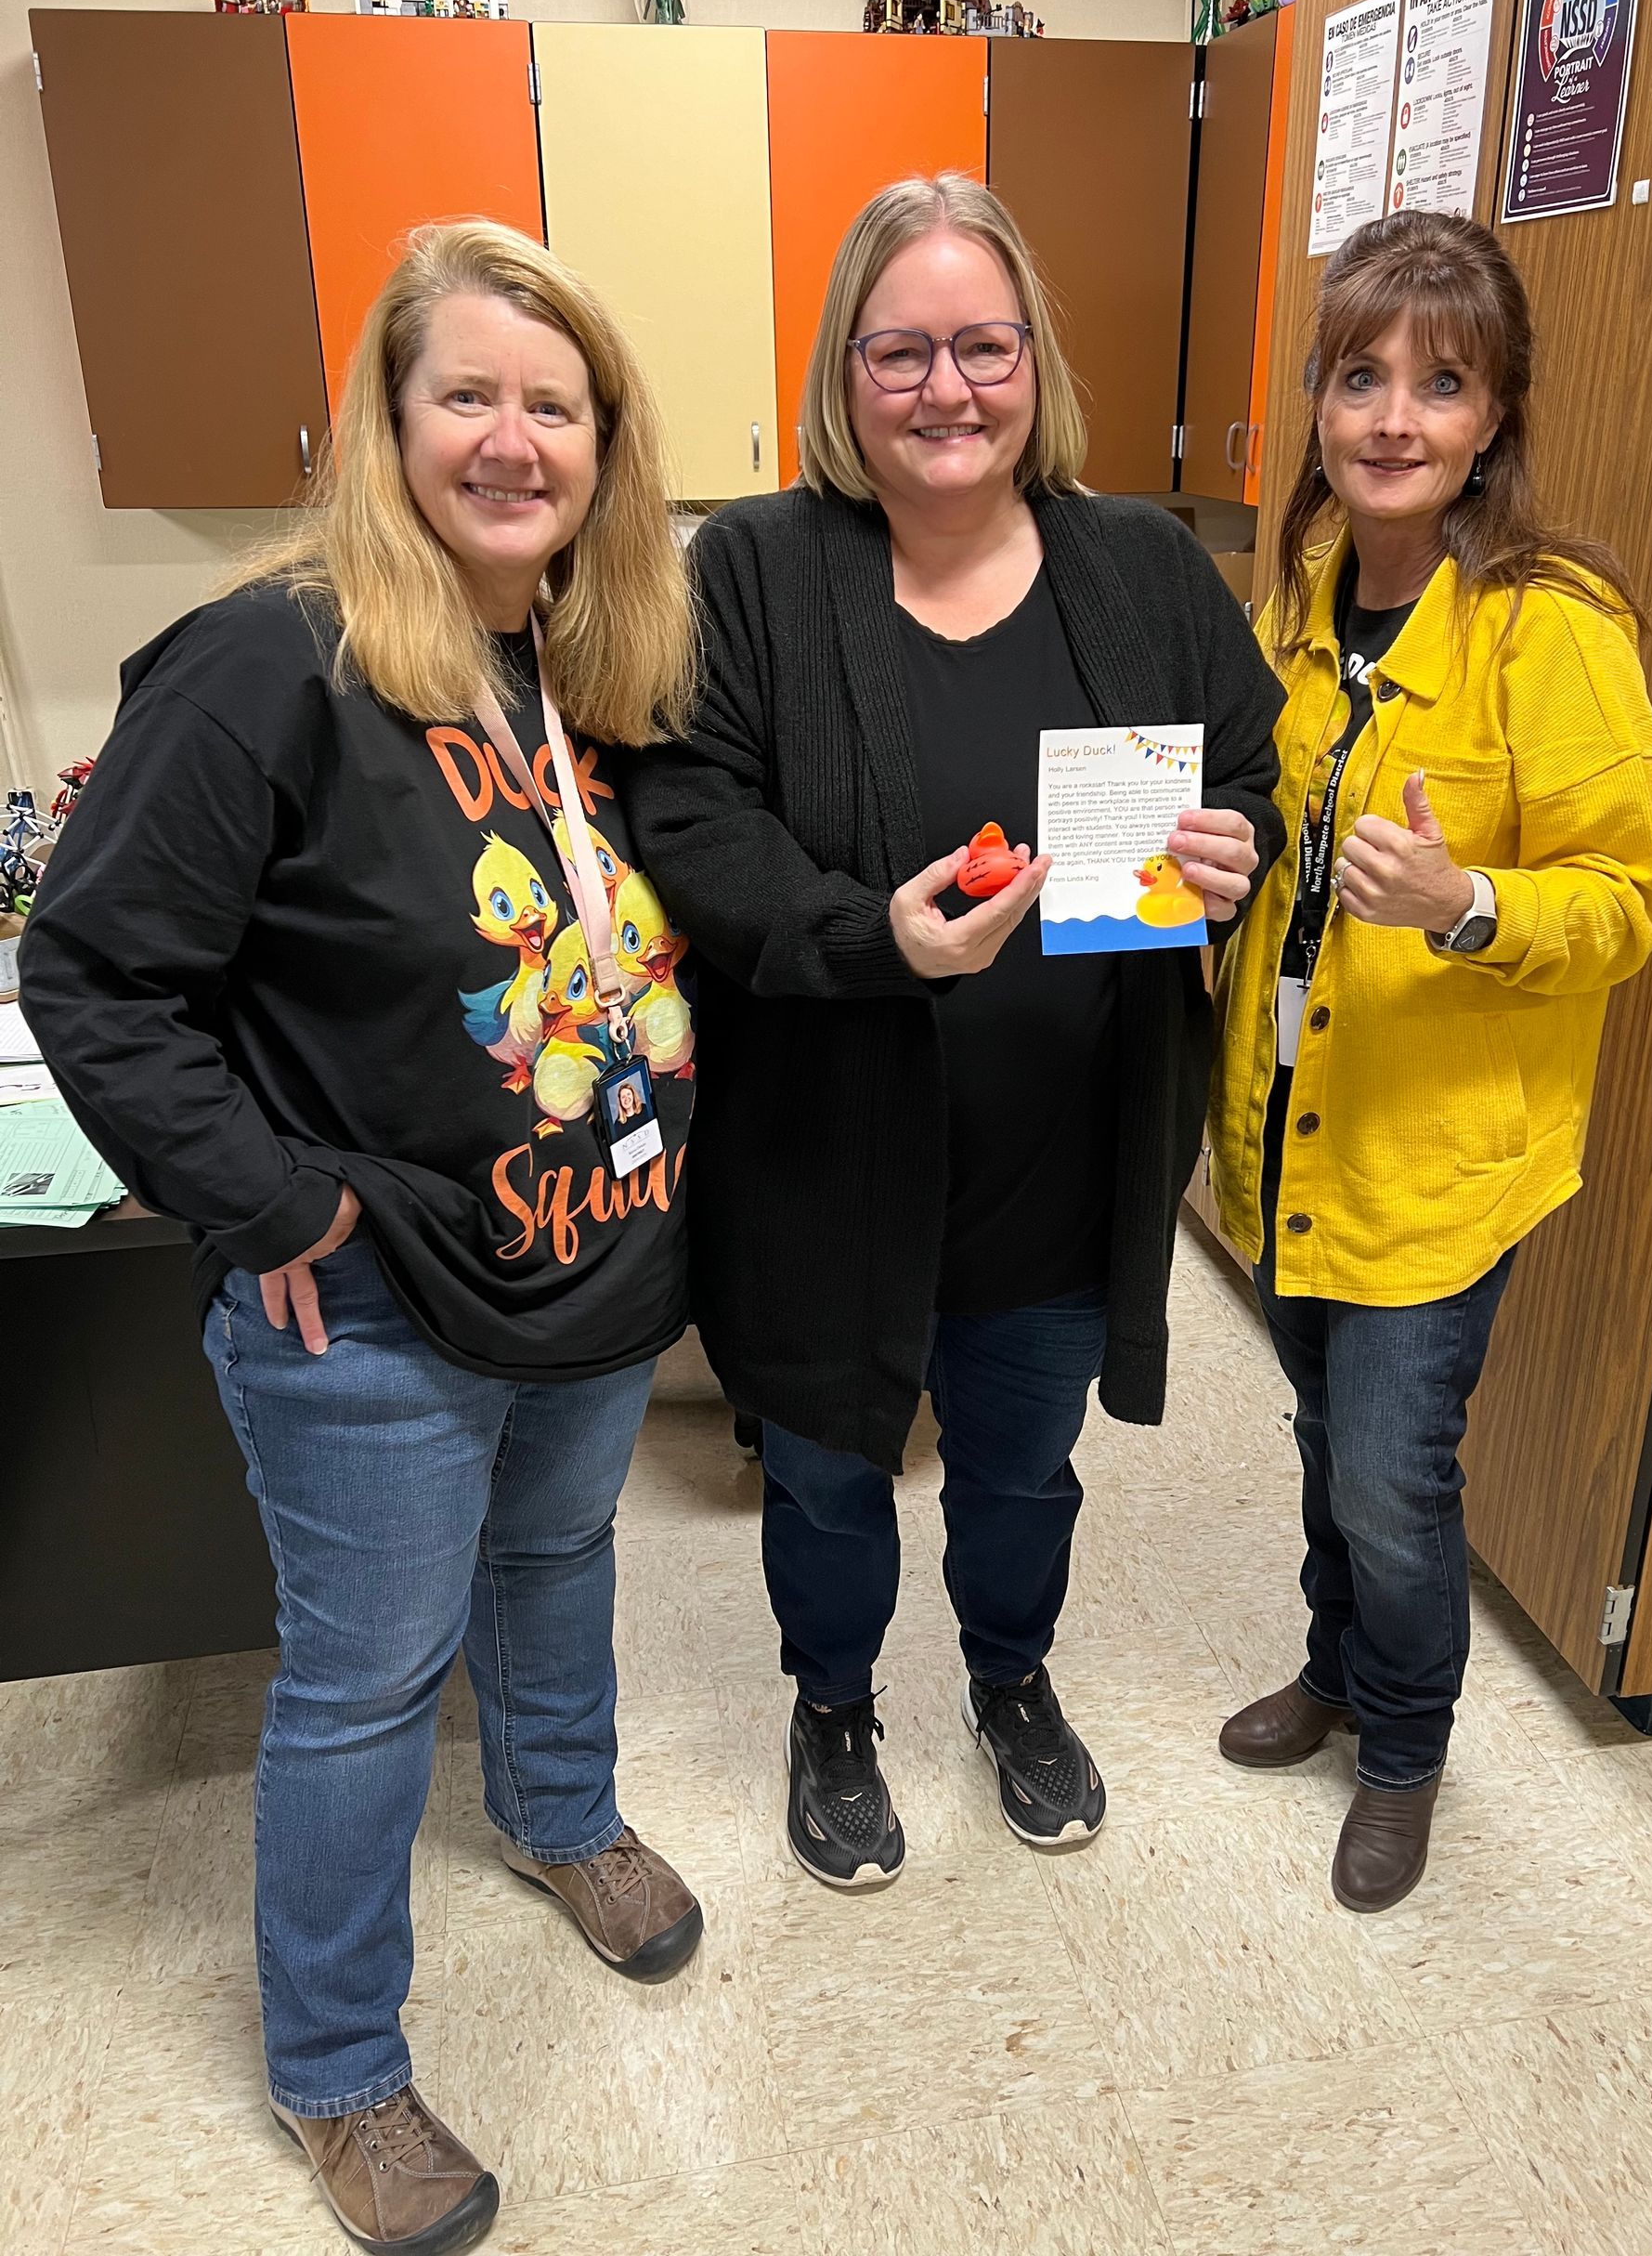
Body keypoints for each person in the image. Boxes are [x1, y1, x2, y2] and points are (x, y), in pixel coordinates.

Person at [23, 221, 704, 2253]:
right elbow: (95, 974)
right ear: (383, 425)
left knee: (565, 1548)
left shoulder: (575, 659)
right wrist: (275, 1196)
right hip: (376, 1301)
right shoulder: (268, 661)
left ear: (606, 445)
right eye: (467, 395)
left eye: (553, 403)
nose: (513, 438)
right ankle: (337, 2064)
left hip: (590, 1264)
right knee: (362, 1678)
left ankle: (561, 1812)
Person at [629, 176, 1285, 1889]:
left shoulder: (1138, 563)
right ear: (844, 375)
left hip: (1063, 1161)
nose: (948, 390)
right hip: (829, 1156)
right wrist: (868, 933)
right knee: (833, 1481)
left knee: (1020, 1468)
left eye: (983, 346)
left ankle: (1010, 1675)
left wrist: (1233, 846)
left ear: (1035, 362)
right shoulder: (758, 572)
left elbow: (1249, 769)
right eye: (900, 351)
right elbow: (689, 817)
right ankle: (832, 1705)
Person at [1204, 211, 1652, 1912]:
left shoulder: (1554, 623)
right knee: (1326, 1436)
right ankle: (1339, 1674)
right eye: (1360, 377)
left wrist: (1471, 903)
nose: (1393, 417)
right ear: (1320, 403)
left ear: (1495, 417)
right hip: (1297, 1133)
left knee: (1396, 1480)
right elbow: (1274, 834)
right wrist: (1221, 869)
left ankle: (1404, 1747)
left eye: (1441, 382)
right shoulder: (1300, 605)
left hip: (1442, 1163)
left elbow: (1631, 901)